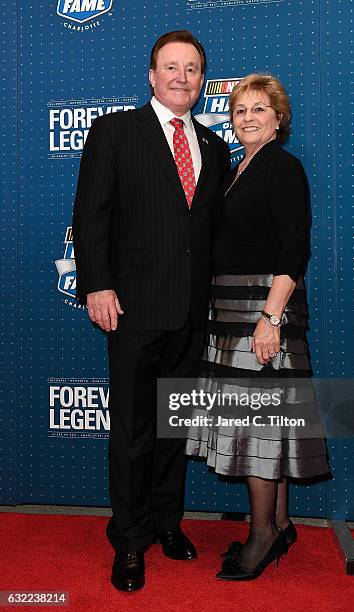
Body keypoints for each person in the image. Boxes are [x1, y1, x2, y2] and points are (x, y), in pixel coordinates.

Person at [72, 30, 230, 592]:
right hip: (133, 309)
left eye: (192, 68)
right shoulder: (115, 131)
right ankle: (130, 540)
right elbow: (91, 217)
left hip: (191, 314)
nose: (181, 77)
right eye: (171, 66)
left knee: (173, 429)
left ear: (202, 79)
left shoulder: (213, 147)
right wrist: (97, 286)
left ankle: (167, 524)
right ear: (151, 74)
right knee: (134, 433)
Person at [186, 73, 330, 580]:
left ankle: (263, 533)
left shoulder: (283, 168)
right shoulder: (234, 169)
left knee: (257, 429)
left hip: (261, 313)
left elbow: (295, 248)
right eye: (240, 109)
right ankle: (282, 522)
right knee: (267, 428)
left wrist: (269, 319)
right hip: (229, 313)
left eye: (259, 109)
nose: (248, 117)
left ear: (278, 119)